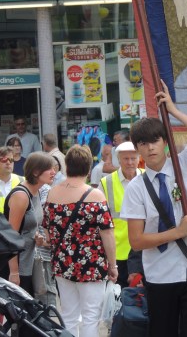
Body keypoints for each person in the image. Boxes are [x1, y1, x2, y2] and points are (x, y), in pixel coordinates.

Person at [121, 82, 187, 336]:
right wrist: (177, 232)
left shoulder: (184, 165)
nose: (150, 148)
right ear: (137, 148)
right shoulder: (136, 187)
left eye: (155, 140)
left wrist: (172, 110)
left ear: (164, 141)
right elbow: (136, 240)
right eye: (143, 143)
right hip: (160, 275)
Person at [44, 144, 117, 337]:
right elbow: (107, 234)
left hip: (62, 264)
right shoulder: (95, 196)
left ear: (67, 166)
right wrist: (113, 265)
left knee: (69, 315)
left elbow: (48, 232)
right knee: (90, 317)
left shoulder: (52, 193)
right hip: (92, 265)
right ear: (88, 168)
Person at [4, 152, 56, 296]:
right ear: (35, 172)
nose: (53, 172)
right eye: (49, 169)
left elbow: (28, 226)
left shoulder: (36, 191)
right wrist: (14, 272)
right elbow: (11, 236)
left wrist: (37, 237)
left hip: (30, 261)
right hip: (19, 267)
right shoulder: (21, 196)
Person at [100, 140, 143, 288]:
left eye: (133, 158)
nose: (130, 162)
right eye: (126, 159)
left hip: (144, 250)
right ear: (118, 160)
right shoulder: (106, 182)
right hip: (118, 251)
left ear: (139, 158)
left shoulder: (147, 177)